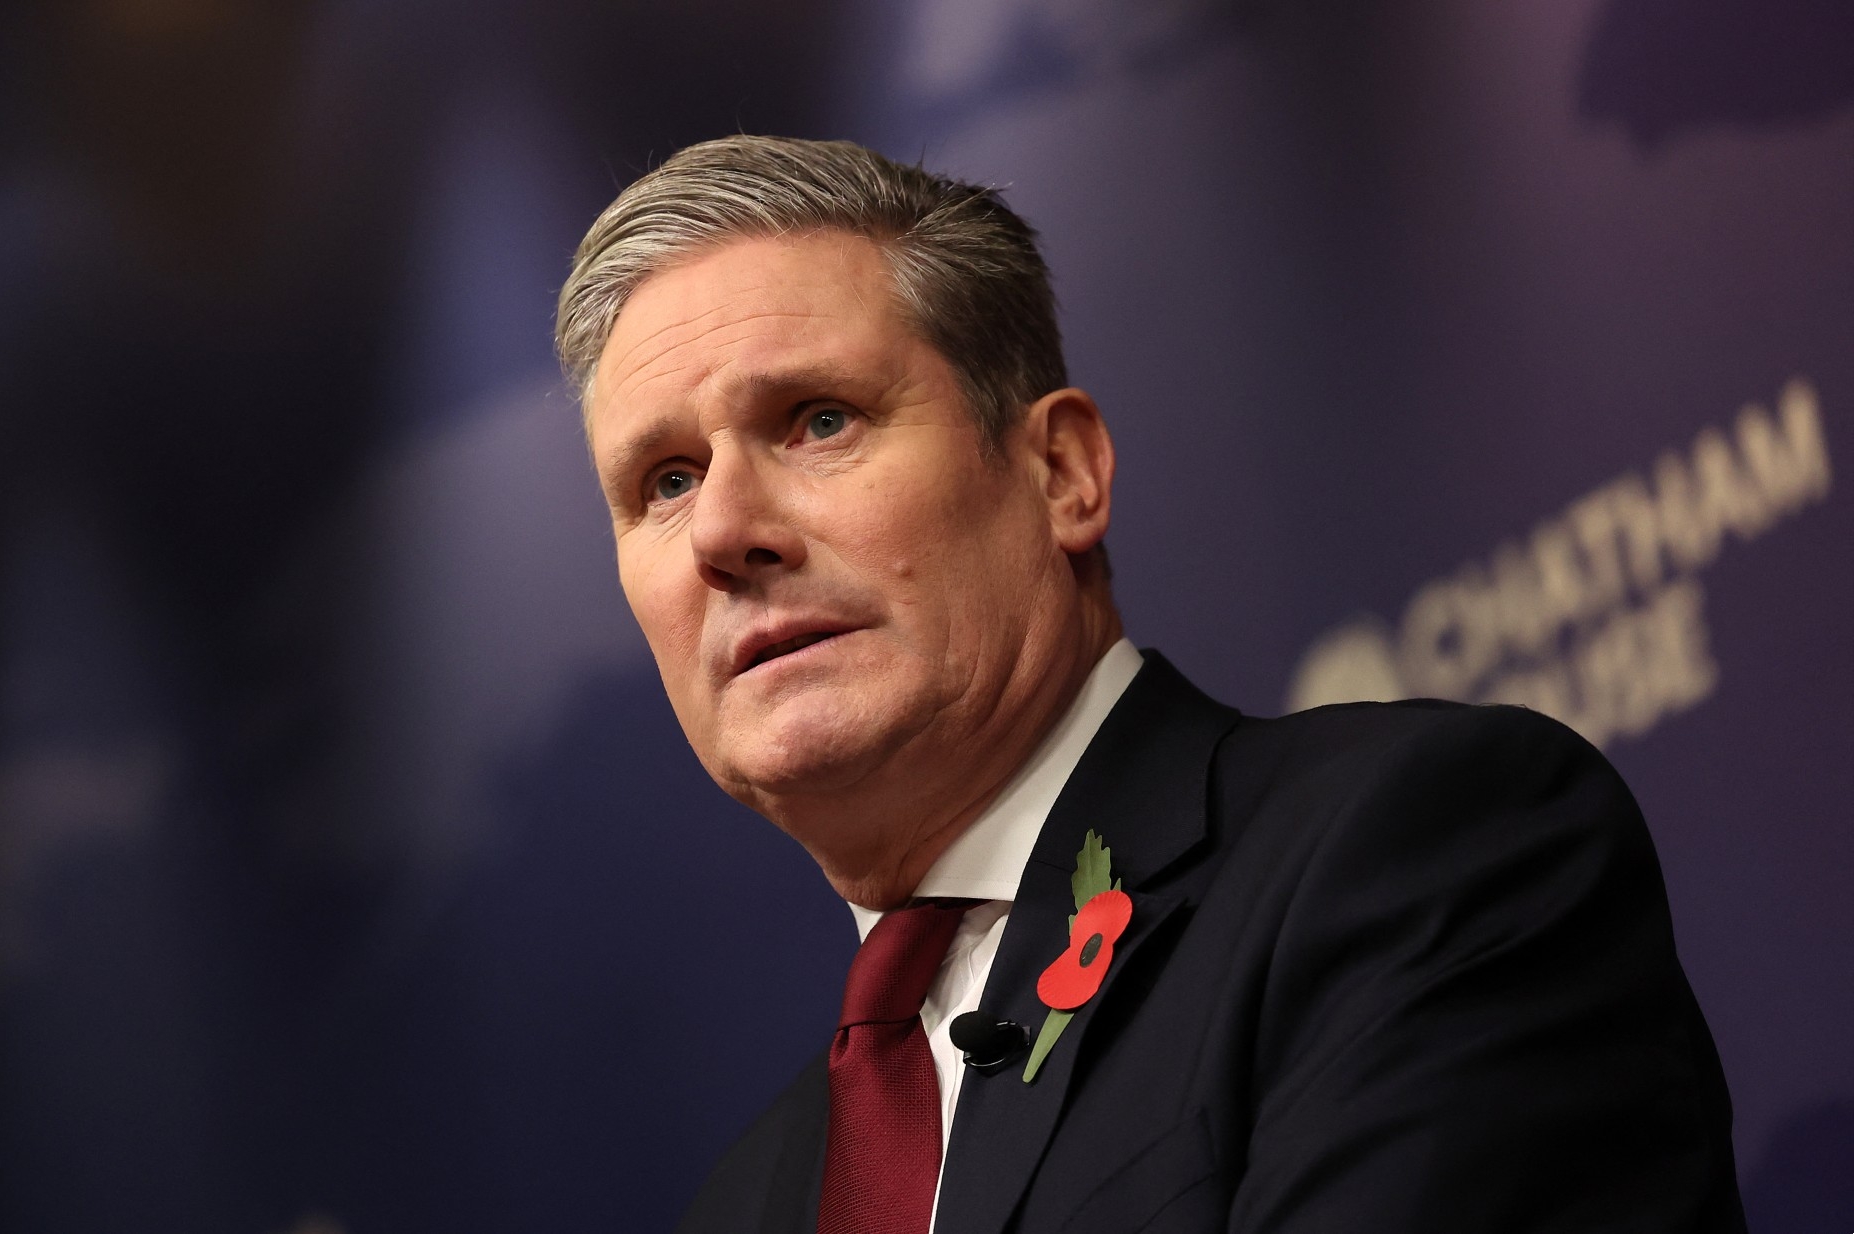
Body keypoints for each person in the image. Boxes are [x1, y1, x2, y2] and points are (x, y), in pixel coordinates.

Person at [555, 136, 1745, 1234]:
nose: (720, 529)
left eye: (819, 420)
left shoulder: (1421, 851)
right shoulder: (747, 1204)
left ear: (1061, 472)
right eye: (662, 481)